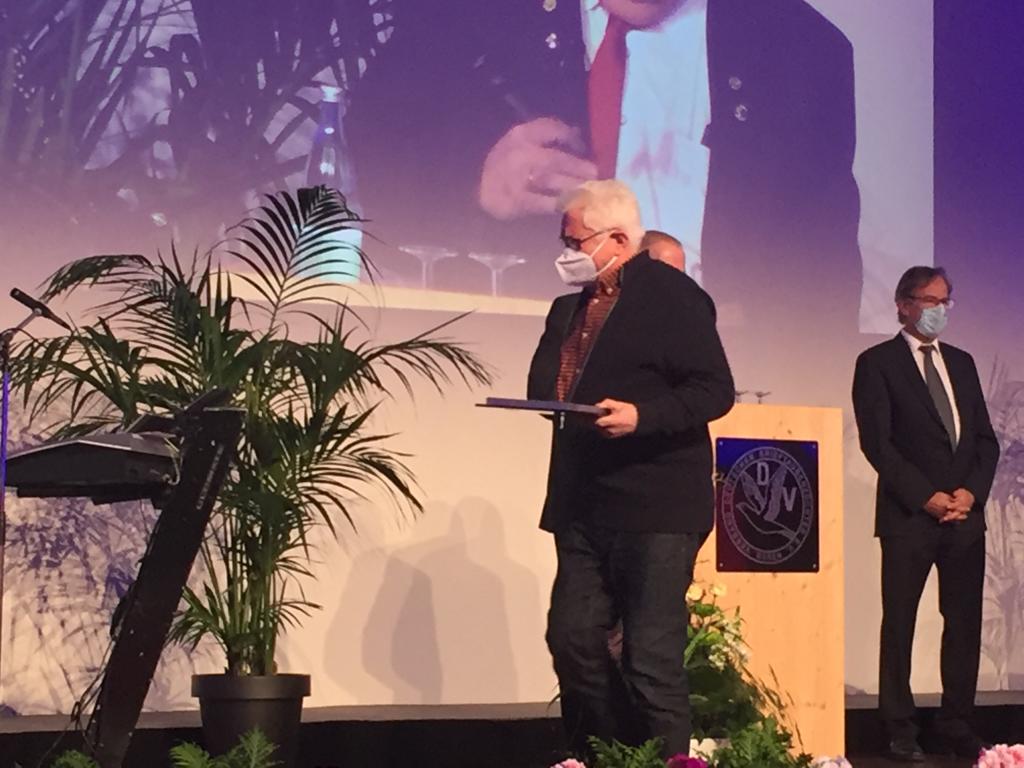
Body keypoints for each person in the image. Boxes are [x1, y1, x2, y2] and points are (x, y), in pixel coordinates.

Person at [347, 0, 861, 333]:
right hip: (514, 355)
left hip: (710, 380)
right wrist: (473, 184)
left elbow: (822, 268)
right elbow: (377, 140)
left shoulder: (803, 47)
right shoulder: (473, 15)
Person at [527, 180, 734, 758]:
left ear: (618, 238)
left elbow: (714, 389)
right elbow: (546, 387)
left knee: (650, 657)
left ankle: (666, 761)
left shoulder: (672, 296)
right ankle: (611, 755)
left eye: (575, 241)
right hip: (584, 503)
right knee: (573, 639)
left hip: (655, 505)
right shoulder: (568, 307)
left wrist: (642, 415)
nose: (566, 251)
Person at [852, 266, 999, 762]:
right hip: (909, 516)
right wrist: (926, 497)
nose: (939, 310)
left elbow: (984, 440)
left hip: (964, 518)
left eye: (945, 301)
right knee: (900, 621)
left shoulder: (962, 362)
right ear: (903, 304)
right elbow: (879, 444)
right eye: (930, 301)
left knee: (964, 623)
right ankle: (899, 727)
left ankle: (957, 724)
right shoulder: (877, 363)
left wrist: (970, 494)